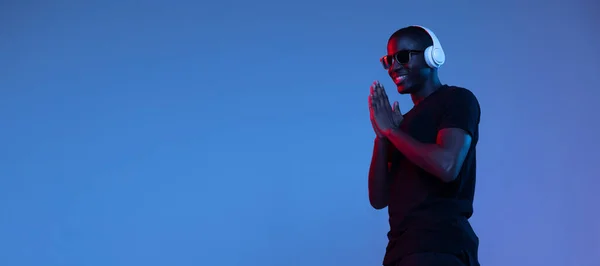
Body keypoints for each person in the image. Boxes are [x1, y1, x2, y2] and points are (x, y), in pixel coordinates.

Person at [368, 25, 481, 266]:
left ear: (432, 56)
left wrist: (391, 130)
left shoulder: (457, 99)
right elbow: (379, 198)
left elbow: (447, 165)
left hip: (440, 248)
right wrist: (382, 136)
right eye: (388, 60)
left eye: (403, 56)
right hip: (400, 254)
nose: (394, 66)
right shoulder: (401, 125)